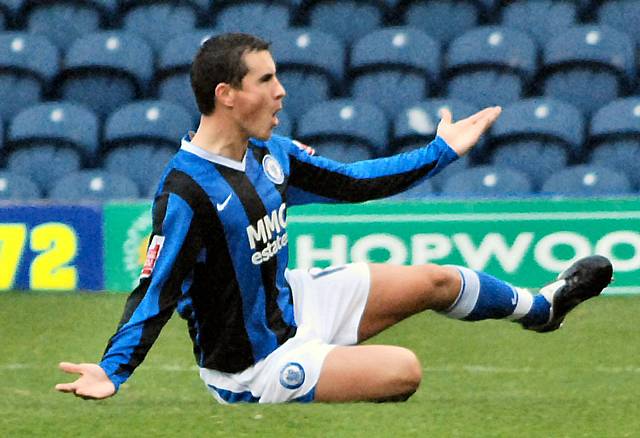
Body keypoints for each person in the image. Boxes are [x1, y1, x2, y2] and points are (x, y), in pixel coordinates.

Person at [55, 33, 613, 404]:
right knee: (405, 371)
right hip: (254, 366)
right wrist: (113, 370)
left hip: (295, 303)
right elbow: (155, 287)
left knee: (438, 279)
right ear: (226, 95)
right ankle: (318, 374)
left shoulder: (271, 154)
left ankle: (544, 308)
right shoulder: (186, 193)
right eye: (266, 81)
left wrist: (440, 150)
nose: (282, 91)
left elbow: (355, 183)